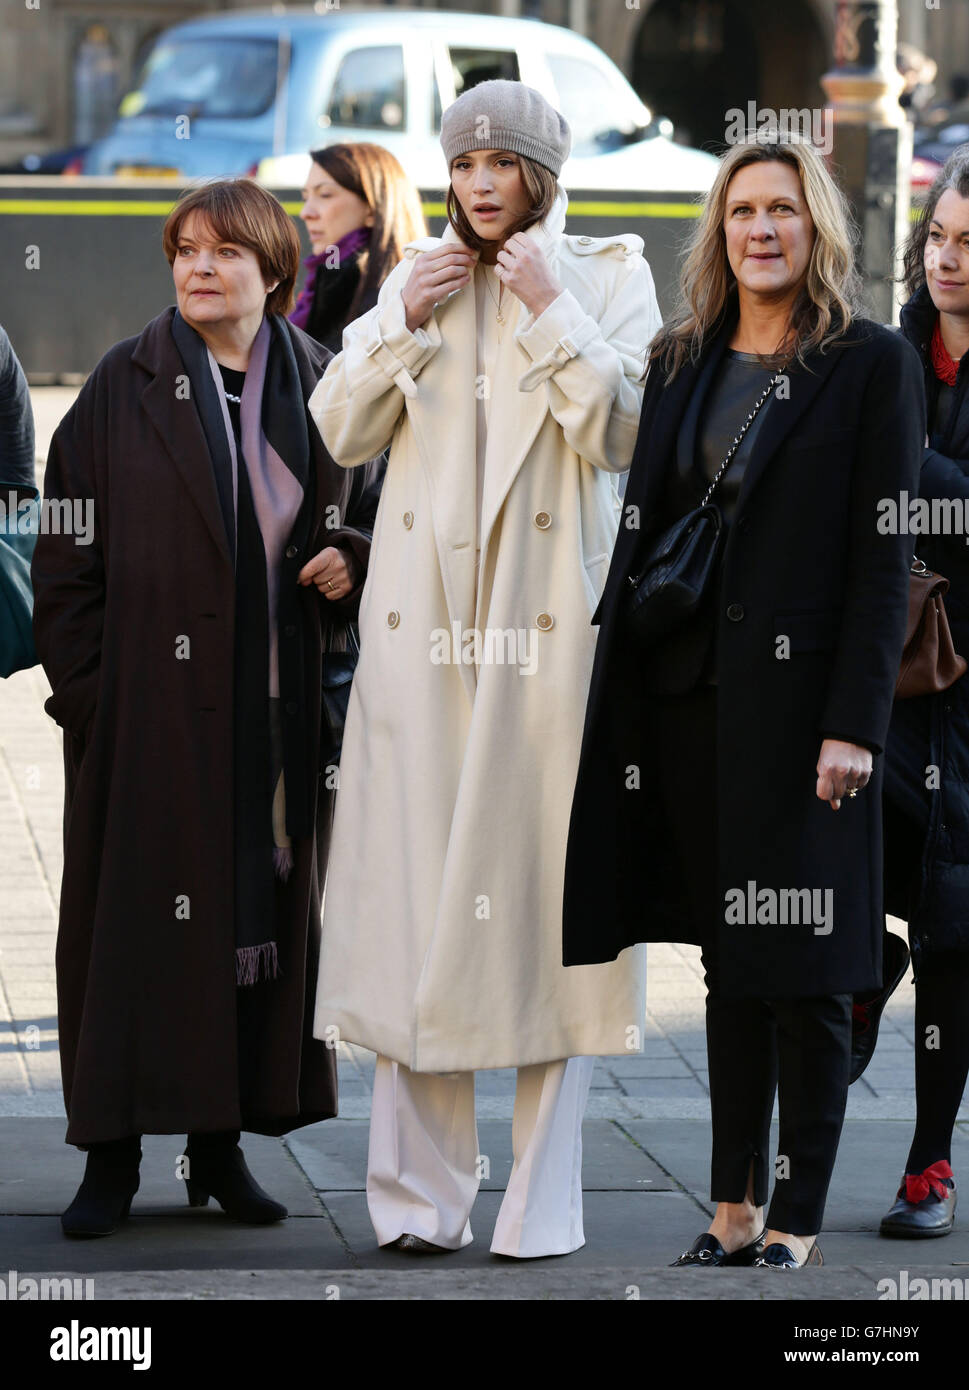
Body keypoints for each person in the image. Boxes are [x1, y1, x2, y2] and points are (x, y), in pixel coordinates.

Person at [309, 80, 659, 1257]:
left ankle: (540, 1207)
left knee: (548, 928)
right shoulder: (419, 274)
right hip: (422, 646)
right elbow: (337, 430)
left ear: (539, 175)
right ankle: (418, 1203)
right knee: (418, 913)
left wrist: (553, 308)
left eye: (500, 166)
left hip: (543, 644)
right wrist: (400, 315)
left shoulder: (608, 273)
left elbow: (621, 434)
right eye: (462, 166)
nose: (477, 185)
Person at [563, 133, 925, 1270]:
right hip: (685, 710)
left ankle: (797, 1217)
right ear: (718, 233)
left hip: (807, 722)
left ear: (818, 228)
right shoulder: (681, 358)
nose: (761, 230)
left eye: (783, 211)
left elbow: (883, 563)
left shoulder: (869, 364)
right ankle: (727, 1210)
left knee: (809, 972)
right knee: (731, 966)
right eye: (741, 212)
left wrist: (855, 724)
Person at [31, 178, 382, 1238]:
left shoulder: (325, 385)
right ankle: (108, 1154)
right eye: (184, 250)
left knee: (249, 927)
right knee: (129, 933)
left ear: (273, 270)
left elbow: (371, 518)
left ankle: (219, 1144)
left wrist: (351, 561)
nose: (197, 268)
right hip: (145, 724)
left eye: (223, 252)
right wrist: (94, 698)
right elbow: (65, 557)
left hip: (272, 731)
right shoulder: (118, 386)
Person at [873, 147, 969, 1238]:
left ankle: (928, 1164)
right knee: (843, 853)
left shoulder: (891, 387)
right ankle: (862, 969)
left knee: (957, 924)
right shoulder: (889, 352)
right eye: (939, 237)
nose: (948, 259)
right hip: (883, 668)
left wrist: (908, 468)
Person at [291, 143, 425, 354]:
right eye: (306, 197)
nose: (306, 212)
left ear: (372, 209)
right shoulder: (332, 275)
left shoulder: (379, 291)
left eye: (325, 194)